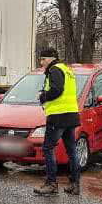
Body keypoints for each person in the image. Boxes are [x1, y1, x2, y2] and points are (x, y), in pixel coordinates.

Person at [33, 48, 81, 196]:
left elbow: (57, 90)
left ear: (50, 58)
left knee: (48, 148)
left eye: (43, 59)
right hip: (71, 115)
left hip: (58, 116)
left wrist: (43, 96)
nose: (41, 63)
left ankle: (51, 184)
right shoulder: (67, 70)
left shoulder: (54, 69)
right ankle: (74, 184)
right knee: (71, 150)